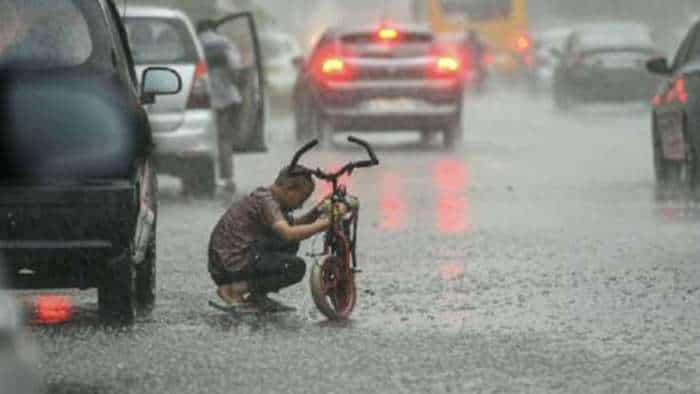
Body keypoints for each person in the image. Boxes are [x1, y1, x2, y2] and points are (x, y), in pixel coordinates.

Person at [208, 165, 345, 312]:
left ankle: (256, 296)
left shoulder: (265, 196)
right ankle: (233, 290)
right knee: (295, 267)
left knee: (289, 243)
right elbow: (289, 233)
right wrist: (324, 223)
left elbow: (292, 226)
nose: (300, 205)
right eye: (302, 198)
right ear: (289, 188)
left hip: (225, 264)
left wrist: (317, 211)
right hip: (231, 265)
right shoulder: (268, 203)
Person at [197, 19, 242, 194]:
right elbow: (235, 67)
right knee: (224, 139)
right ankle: (227, 178)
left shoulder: (195, 42)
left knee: (203, 142)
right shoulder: (225, 43)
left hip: (201, 101)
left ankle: (204, 179)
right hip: (226, 99)